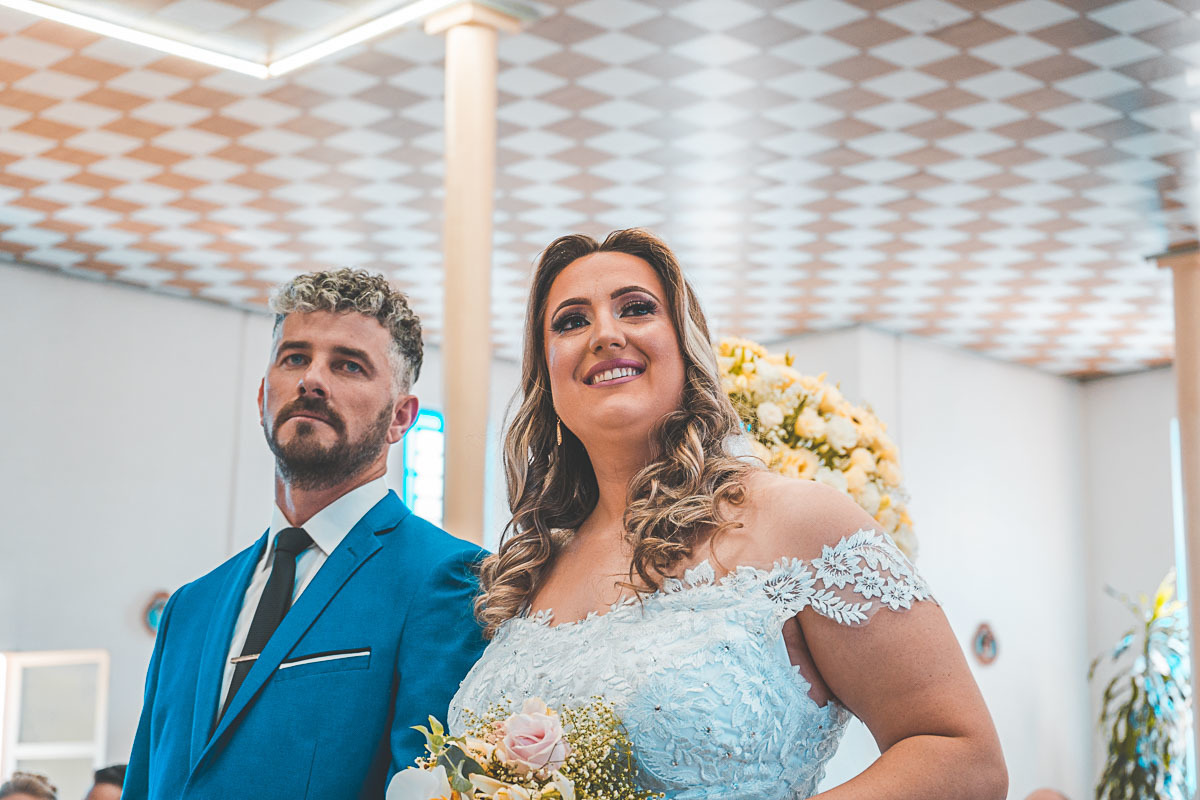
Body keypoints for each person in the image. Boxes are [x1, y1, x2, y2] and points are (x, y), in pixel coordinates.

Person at [450, 230, 1007, 798]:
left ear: (686, 346)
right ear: (545, 375)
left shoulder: (797, 521)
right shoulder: (531, 569)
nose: (605, 334)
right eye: (571, 321)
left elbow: (966, 758)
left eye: (637, 309)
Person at [124, 269, 486, 799]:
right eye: (294, 358)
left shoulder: (445, 579)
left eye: (348, 365)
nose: (311, 379)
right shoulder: (190, 608)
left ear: (400, 418)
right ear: (262, 396)